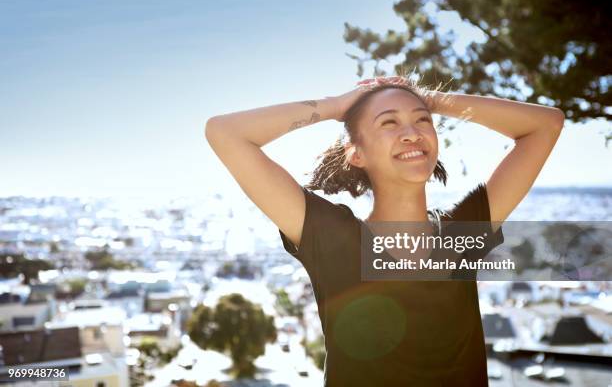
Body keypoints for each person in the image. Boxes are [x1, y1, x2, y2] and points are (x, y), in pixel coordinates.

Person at [205, 75, 564, 386]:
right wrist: (337, 106)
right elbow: (226, 133)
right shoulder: (331, 237)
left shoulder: (461, 234)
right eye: (388, 123)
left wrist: (434, 100)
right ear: (355, 153)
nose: (411, 133)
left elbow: (546, 125)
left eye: (422, 121)